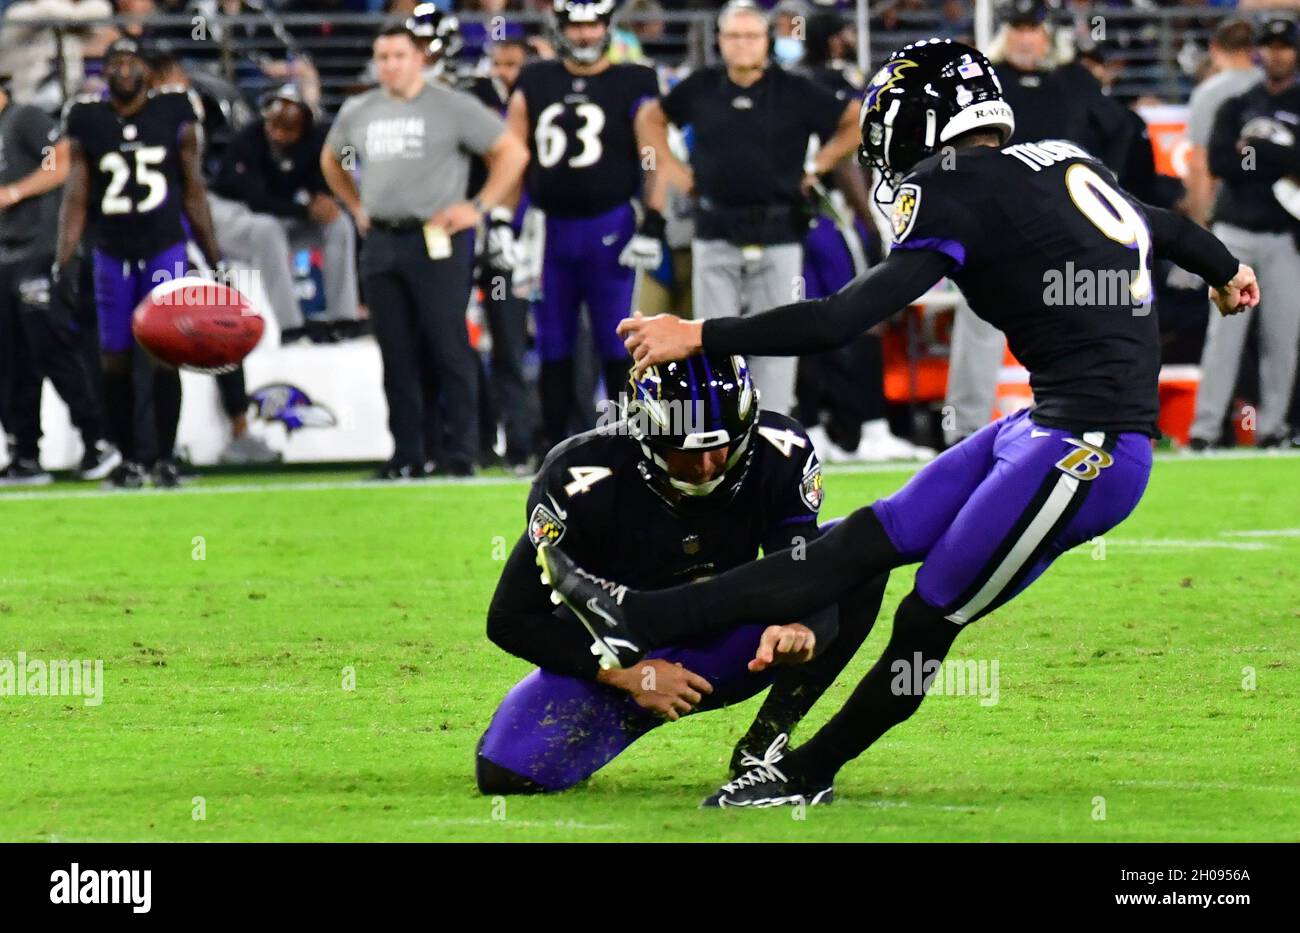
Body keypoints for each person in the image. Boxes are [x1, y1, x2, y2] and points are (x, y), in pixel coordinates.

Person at [537, 38, 1258, 807]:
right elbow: (1165, 228)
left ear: (924, 121)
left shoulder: (957, 189)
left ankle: (804, 773)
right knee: (857, 543)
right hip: (1043, 427)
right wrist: (1227, 271)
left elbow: (840, 319)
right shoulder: (1058, 162)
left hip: (1091, 451)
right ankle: (638, 616)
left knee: (927, 617)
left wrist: (700, 333)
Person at [479, 356, 887, 792]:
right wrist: (630, 676)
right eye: (687, 452)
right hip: (620, 654)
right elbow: (510, 617)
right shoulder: (582, 479)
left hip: (734, 643)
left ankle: (766, 741)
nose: (708, 465)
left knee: (859, 553)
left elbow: (806, 570)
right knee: (507, 774)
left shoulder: (778, 450)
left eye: (721, 446)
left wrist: (802, 626)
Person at [634, 0, 861, 417]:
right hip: (715, 226)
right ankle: (720, 434)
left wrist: (818, 166)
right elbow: (650, 118)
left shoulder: (794, 89)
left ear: (766, 42)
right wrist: (671, 167)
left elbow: (855, 119)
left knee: (779, 340)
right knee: (711, 339)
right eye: (733, 37)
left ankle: (773, 432)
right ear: (720, 41)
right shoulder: (701, 86)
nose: (742, 46)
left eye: (751, 36)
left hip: (779, 228)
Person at [322, 23, 528, 479]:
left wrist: (477, 207)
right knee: (395, 352)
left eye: (398, 55)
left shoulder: (450, 106)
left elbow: (511, 153)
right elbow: (330, 159)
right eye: (382, 57)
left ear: (419, 58)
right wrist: (355, 206)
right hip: (381, 239)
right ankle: (407, 455)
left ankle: (462, 454)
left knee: (448, 346)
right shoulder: (360, 109)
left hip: (438, 238)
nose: (389, 65)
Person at [57, 37, 224, 489]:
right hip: (111, 248)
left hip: (162, 245)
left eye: (132, 62)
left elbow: (193, 189)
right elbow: (75, 194)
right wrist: (65, 259)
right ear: (104, 71)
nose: (124, 70)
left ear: (148, 72)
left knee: (166, 353)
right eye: (115, 62)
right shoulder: (87, 118)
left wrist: (214, 257)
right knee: (115, 357)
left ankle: (164, 457)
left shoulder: (173, 112)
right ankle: (130, 458)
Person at [505, 0, 660, 452]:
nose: (584, 35)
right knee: (553, 339)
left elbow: (656, 155)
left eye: (592, 25)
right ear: (560, 28)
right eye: (575, 26)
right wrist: (501, 220)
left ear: (608, 27)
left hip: (610, 225)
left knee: (621, 340)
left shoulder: (635, 79)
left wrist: (654, 219)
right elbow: (512, 152)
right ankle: (555, 447)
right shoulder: (536, 78)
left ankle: (630, 445)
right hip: (550, 228)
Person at [0, 80, 120, 485]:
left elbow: (64, 159)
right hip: (4, 255)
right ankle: (25, 452)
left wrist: (13, 192)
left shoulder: (24, 118)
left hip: (38, 250)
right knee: (9, 358)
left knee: (53, 348)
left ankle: (98, 439)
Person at [1190, 17, 1300, 452]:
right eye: (1269, 46)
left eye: (1284, 46)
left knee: (1283, 338)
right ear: (1258, 51)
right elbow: (1221, 161)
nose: (1276, 54)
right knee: (1223, 338)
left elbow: (1249, 160)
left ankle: (1272, 429)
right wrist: (1284, 157)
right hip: (1234, 235)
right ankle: (1204, 430)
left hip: (1284, 237)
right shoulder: (1236, 104)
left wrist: (1260, 154)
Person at [212, 84, 360, 338]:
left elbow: (327, 176)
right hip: (230, 214)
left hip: (278, 215)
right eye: (274, 125)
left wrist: (326, 199)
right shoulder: (248, 140)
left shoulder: (316, 141)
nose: (278, 134)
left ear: (303, 128)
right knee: (266, 229)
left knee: (339, 223)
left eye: (287, 128)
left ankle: (343, 318)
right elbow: (256, 199)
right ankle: (290, 326)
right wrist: (305, 210)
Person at [464, 38, 535, 474]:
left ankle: (522, 444)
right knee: (466, 347)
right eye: (500, 63)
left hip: (528, 244)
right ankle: (479, 441)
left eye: (514, 64)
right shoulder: (474, 104)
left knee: (512, 349)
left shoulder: (543, 106)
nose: (506, 72)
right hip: (476, 238)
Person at [1185, 18, 1261, 229]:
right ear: (1253, 49)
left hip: (1227, 212)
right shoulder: (1272, 87)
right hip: (1276, 212)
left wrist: (1198, 228)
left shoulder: (1208, 93)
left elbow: (1200, 164)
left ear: (1214, 47)